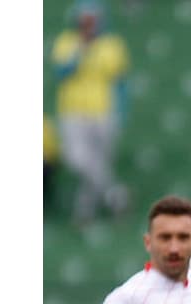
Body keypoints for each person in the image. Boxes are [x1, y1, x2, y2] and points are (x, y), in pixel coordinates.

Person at [50, 0, 130, 224]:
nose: (88, 25)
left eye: (92, 20)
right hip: (72, 111)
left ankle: (84, 213)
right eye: (84, 20)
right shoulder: (66, 42)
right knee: (77, 159)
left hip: (103, 111)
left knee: (98, 161)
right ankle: (115, 194)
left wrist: (121, 112)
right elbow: (61, 72)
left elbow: (120, 81)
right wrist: (81, 49)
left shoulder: (112, 45)